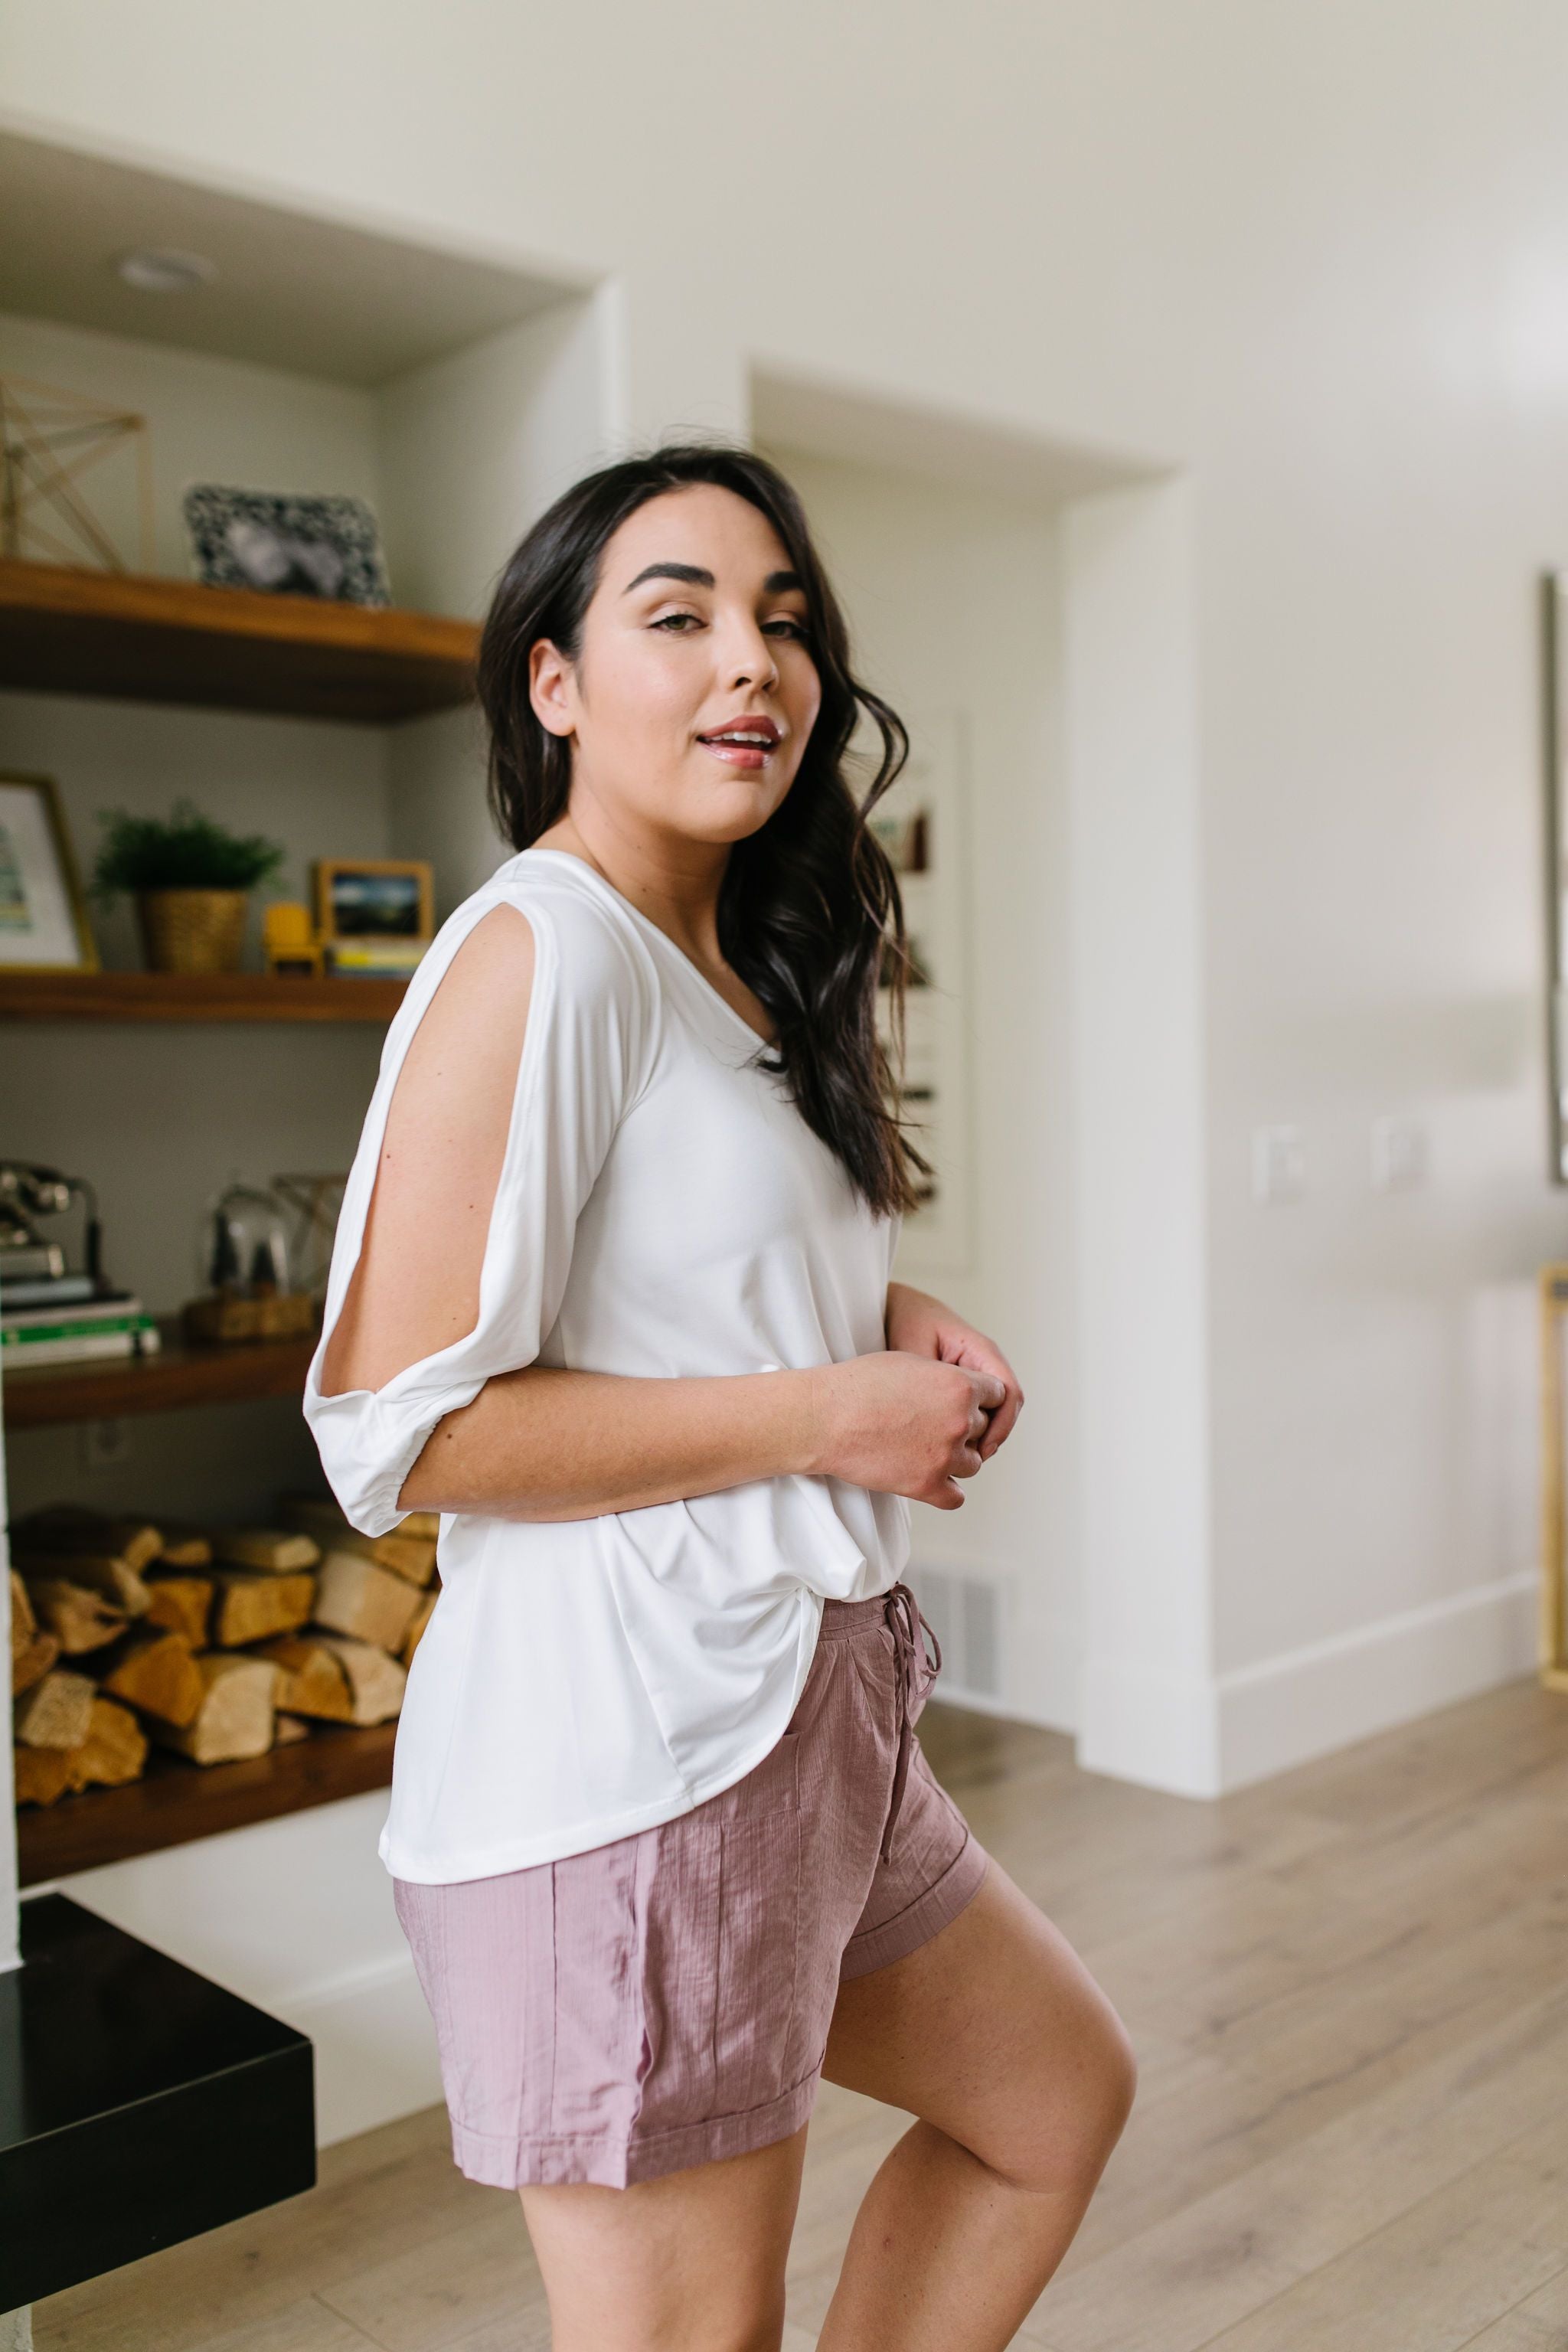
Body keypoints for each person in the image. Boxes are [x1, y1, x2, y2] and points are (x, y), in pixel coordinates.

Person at [302, 439, 1135, 2352]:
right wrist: (827, 1413)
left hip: (804, 1717)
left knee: (1048, 2105)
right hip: (632, 1778)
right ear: (556, 682)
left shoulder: (733, 961)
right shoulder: (544, 947)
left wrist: (879, 1306)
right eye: (674, 617)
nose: (749, 664)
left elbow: (666, 1274)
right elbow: (397, 1433)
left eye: (781, 623)